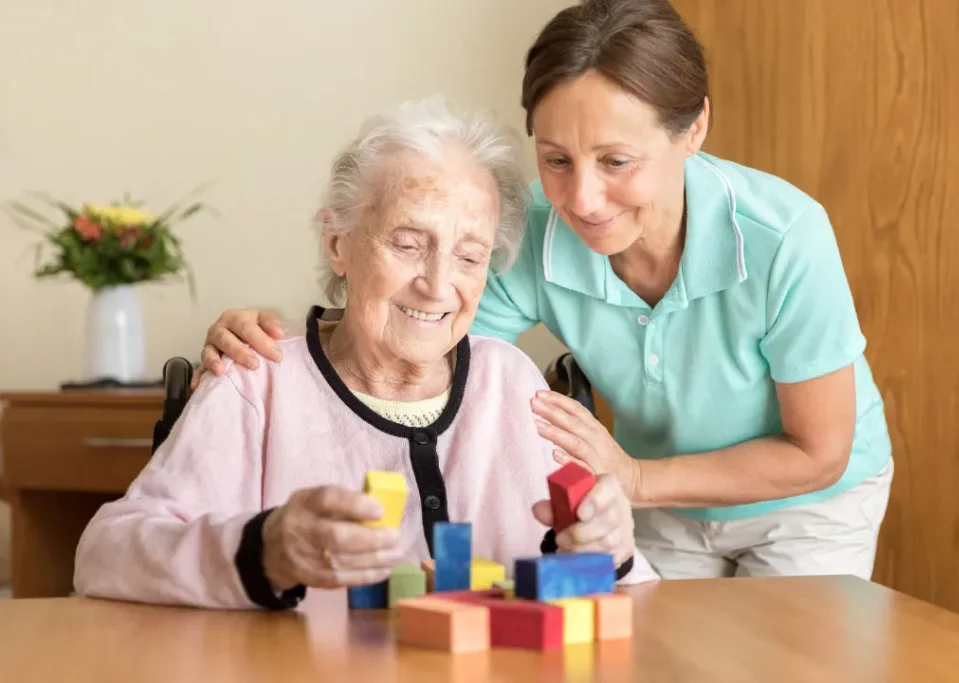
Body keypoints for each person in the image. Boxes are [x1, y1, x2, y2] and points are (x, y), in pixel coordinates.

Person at [196, 0, 893, 581]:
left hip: (808, 500)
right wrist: (288, 340)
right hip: (656, 500)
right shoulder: (531, 229)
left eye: (616, 161)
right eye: (556, 159)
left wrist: (637, 481)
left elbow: (818, 451)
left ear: (694, 131)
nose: (583, 199)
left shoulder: (783, 236)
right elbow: (423, 345)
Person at [73, 97, 656, 611]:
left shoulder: (510, 382)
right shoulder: (258, 378)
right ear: (338, 243)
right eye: (407, 244)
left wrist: (611, 547)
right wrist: (265, 550)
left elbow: (624, 586)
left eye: (469, 256)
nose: (436, 284)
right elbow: (105, 553)